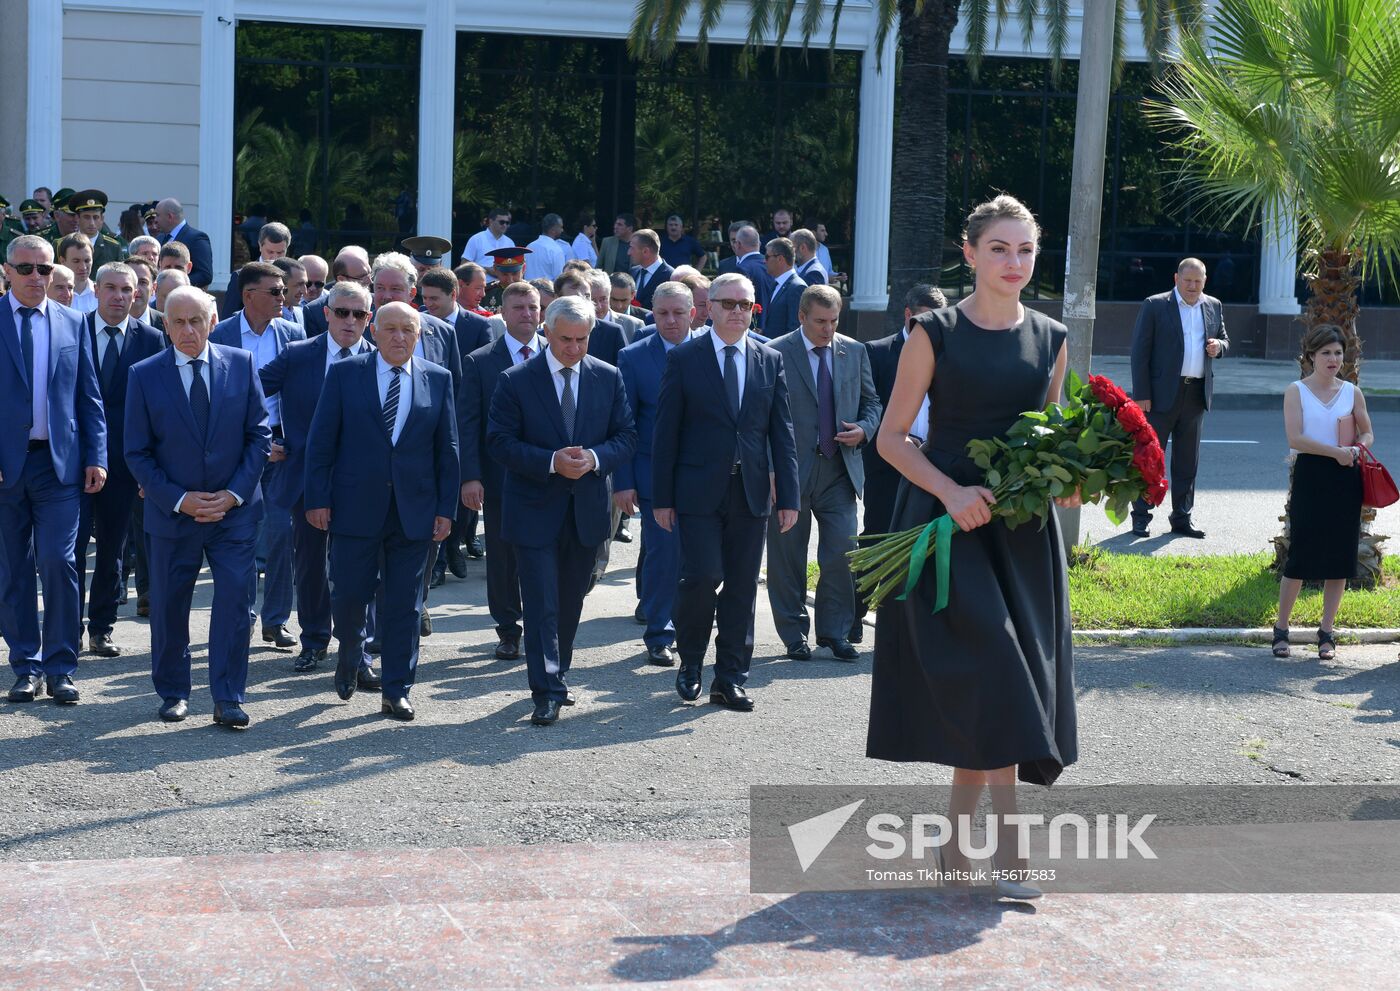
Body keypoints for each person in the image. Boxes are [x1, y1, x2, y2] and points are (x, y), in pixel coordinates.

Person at [867, 195, 1078, 900]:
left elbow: (1050, 438)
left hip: (1021, 535)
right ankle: (1011, 854)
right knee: (1001, 674)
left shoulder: (1052, 337)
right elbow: (891, 438)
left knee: (1001, 687)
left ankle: (955, 844)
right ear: (970, 253)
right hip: (944, 529)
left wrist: (1074, 480)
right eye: (999, 249)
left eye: (1025, 250)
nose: (1013, 262)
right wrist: (952, 494)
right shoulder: (935, 332)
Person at [651, 272, 799, 711]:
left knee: (741, 586)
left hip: (751, 493)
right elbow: (666, 433)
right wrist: (662, 498)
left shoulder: (769, 359)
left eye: (745, 305)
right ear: (709, 307)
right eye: (728, 303)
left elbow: (782, 433)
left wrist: (788, 496)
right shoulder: (685, 358)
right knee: (702, 578)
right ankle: (691, 663)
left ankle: (730, 676)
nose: (737, 312)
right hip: (697, 492)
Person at [304, 302, 458, 722]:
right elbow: (321, 443)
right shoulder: (345, 374)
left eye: (407, 330)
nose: (399, 337)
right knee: (351, 594)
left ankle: (397, 689)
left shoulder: (438, 380)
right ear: (373, 331)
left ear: (419, 334)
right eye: (389, 329)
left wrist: (446, 508)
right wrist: (317, 498)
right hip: (354, 507)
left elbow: (448, 449)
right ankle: (350, 651)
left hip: (415, 510)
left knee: (405, 604)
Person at [124, 286, 271, 727]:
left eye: (196, 321)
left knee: (232, 604)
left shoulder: (241, 365)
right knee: (169, 606)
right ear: (164, 325)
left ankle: (228, 696)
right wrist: (181, 500)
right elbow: (136, 452)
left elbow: (259, 436)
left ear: (211, 321)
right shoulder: (144, 374)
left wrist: (233, 494)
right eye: (177, 322)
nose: (188, 330)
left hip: (234, 513)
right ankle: (173, 691)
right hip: (174, 514)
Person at [487, 295, 637, 726]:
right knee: (541, 604)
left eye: (583, 339)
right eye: (566, 339)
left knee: (570, 601)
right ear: (546, 333)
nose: (574, 348)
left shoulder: (607, 377)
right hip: (534, 509)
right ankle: (547, 688)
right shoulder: (516, 380)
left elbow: (627, 435)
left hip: (586, 510)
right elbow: (499, 441)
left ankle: (560, 671)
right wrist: (552, 462)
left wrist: (592, 458)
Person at [0, 235, 108, 706]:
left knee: (59, 561)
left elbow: (89, 395)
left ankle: (61, 665)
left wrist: (97, 455)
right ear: (6, 271)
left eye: (44, 269)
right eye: (25, 269)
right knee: (13, 568)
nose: (35, 278)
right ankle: (25, 664)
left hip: (58, 464)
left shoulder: (73, 322)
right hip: (5, 466)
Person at [258, 281, 378, 680]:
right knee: (309, 563)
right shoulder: (298, 355)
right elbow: (246, 390)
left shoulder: (380, 362)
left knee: (359, 566)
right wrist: (265, 439)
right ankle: (313, 641)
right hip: (306, 477)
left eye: (358, 314)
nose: (349, 321)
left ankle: (358, 649)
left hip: (361, 483)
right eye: (341, 312)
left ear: (369, 318)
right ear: (326, 313)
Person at [766, 285, 880, 662]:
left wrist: (865, 428)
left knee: (842, 553)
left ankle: (834, 632)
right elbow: (759, 416)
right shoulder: (775, 352)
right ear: (802, 317)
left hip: (839, 470)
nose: (828, 329)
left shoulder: (854, 350)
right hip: (790, 471)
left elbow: (872, 402)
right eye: (820, 322)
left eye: (834, 321)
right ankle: (794, 634)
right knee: (788, 558)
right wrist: (769, 469)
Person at [211, 261, 305, 648]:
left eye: (284, 290)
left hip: (284, 446)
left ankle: (276, 619)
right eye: (276, 291)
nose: (285, 297)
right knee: (242, 534)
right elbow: (216, 398)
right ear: (249, 295)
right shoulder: (221, 333)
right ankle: (242, 614)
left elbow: (300, 395)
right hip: (239, 449)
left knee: (282, 532)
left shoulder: (294, 333)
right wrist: (255, 448)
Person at [75, 262, 164, 658]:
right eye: (110, 288)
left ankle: (102, 628)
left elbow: (160, 410)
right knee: (71, 548)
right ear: (95, 290)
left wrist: (152, 468)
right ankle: (69, 625)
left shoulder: (152, 339)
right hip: (75, 459)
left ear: (138, 293)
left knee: (113, 547)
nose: (118, 297)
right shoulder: (73, 330)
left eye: (126, 290)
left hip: (127, 465)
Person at [1272, 325, 1374, 662]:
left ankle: (1326, 633)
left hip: (1346, 477)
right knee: (1300, 555)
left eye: (1338, 353)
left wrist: (1358, 448)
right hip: (1312, 474)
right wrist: (1335, 452)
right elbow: (1294, 438)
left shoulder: (1352, 392)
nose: (1333, 359)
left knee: (1339, 559)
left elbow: (1368, 432)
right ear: (1311, 356)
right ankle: (1281, 629)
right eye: (1326, 353)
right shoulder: (1296, 391)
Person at [856, 283, 947, 639]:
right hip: (887, 463)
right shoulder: (877, 352)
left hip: (935, 464)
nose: (931, 329)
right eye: (924, 321)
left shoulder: (950, 353)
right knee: (877, 537)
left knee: (922, 542)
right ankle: (854, 615)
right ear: (907, 316)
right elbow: (869, 404)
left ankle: (909, 623)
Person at [460, 282, 544, 662]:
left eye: (533, 307)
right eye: (519, 307)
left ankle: (547, 624)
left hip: (552, 474)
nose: (527, 314)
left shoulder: (559, 352)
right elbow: (468, 423)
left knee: (549, 553)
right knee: (503, 556)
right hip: (500, 479)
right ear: (503, 314)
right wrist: (471, 475)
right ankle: (508, 629)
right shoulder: (480, 361)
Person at [616, 281, 695, 666]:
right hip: (653, 476)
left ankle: (691, 625)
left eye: (679, 313)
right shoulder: (632, 358)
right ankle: (660, 632)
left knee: (700, 557)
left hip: (706, 475)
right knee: (663, 554)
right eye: (662, 313)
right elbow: (624, 425)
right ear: (651, 314)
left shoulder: (711, 352)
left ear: (693, 313)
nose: (670, 321)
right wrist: (624, 481)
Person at [1129, 257, 1229, 539]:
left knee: (1187, 462)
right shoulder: (1155, 305)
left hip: (1196, 394)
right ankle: (1141, 517)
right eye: (1188, 281)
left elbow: (1225, 339)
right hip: (1159, 396)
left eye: (1198, 281)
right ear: (1176, 279)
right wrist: (1142, 394)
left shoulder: (1213, 305)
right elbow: (1140, 353)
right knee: (1150, 458)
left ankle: (1182, 518)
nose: (1193, 286)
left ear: (1205, 281)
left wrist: (1218, 347)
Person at [220, 222, 292, 319]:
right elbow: (228, 318)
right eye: (270, 252)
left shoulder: (292, 276)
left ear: (287, 249)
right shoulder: (241, 276)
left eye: (280, 252)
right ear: (260, 246)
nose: (275, 257)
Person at [154, 198, 213, 288]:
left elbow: (205, 275)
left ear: (170, 217)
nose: (155, 220)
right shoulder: (159, 238)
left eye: (157, 215)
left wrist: (176, 285)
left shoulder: (197, 238)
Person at [762, 237, 807, 337]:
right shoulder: (776, 284)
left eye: (767, 257)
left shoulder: (797, 287)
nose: (764, 261)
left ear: (780, 259)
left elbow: (795, 330)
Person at [69, 190, 126, 269]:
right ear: (77, 218)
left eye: (96, 217)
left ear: (102, 219)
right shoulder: (64, 244)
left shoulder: (113, 247)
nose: (92, 223)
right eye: (86, 217)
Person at [628, 229, 674, 311]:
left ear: (645, 251)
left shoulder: (671, 276)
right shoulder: (633, 272)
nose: (629, 252)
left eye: (632, 248)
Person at [58, 233, 98, 313]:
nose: (83, 267)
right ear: (62, 261)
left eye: (87, 261)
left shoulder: (102, 294)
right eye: (76, 261)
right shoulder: (53, 295)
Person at [527, 214, 569, 283]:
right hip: (547, 292)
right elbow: (559, 280)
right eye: (561, 227)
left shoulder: (529, 247)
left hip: (528, 291)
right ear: (553, 229)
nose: (562, 230)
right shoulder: (556, 250)